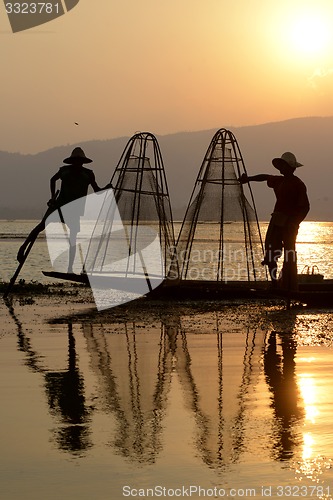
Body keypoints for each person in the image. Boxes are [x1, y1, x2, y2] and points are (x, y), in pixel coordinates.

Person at [17, 147, 110, 273]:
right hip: (59, 205)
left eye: (79, 161)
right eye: (75, 161)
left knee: (73, 238)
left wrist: (107, 188)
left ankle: (70, 268)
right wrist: (52, 198)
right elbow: (52, 179)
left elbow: (97, 191)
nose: (77, 163)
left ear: (82, 162)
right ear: (72, 161)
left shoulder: (88, 174)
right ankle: (22, 248)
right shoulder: (65, 171)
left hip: (74, 209)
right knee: (41, 226)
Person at [239, 152, 310, 290]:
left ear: (291, 168)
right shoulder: (279, 181)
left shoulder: (298, 184)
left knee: (289, 254)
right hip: (277, 220)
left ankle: (289, 285)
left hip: (289, 223)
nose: (281, 169)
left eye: (284, 166)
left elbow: (305, 207)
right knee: (271, 252)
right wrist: (249, 179)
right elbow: (265, 177)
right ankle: (274, 283)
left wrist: (295, 222)